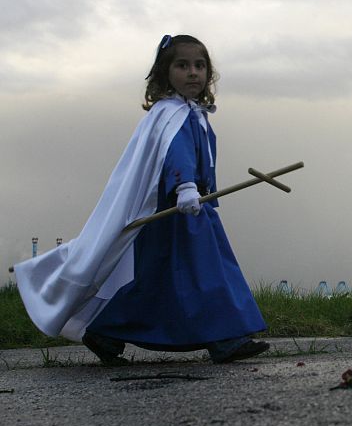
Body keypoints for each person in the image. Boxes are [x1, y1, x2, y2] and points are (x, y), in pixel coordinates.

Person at [14, 35, 269, 364]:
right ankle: (226, 338)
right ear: (165, 73)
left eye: (200, 65)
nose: (193, 72)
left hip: (191, 212)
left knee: (155, 281)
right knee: (208, 273)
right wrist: (185, 187)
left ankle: (106, 333)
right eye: (183, 65)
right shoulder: (172, 115)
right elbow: (175, 155)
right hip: (179, 213)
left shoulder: (192, 114)